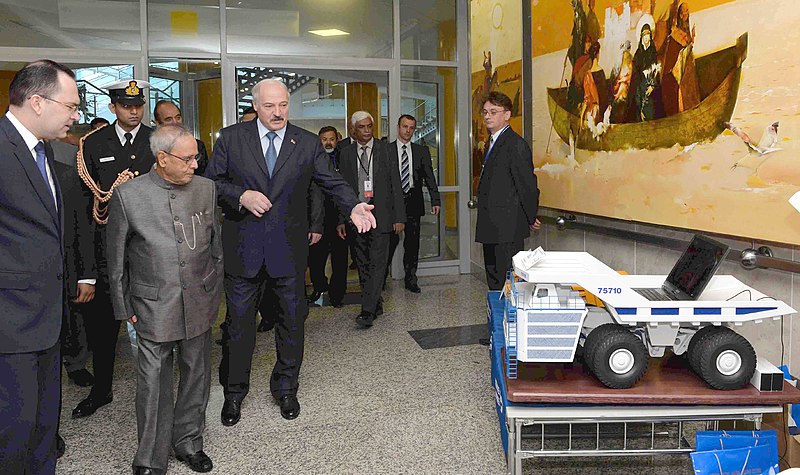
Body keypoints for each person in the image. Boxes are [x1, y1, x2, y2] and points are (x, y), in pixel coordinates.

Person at [205, 79, 375, 424]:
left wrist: (354, 205)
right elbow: (211, 183)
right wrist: (241, 196)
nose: (278, 112)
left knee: (292, 324)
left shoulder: (307, 143)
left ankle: (286, 388)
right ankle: (234, 393)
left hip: (288, 251)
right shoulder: (231, 139)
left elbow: (331, 181)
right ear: (255, 106)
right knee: (239, 327)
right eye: (269, 106)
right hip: (244, 251)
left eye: (283, 104)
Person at [106, 124, 222, 475]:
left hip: (199, 301)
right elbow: (116, 260)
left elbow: (215, 247)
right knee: (153, 384)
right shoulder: (129, 195)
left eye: (196, 157)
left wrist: (213, 292)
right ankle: (150, 459)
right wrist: (124, 308)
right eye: (186, 159)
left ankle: (189, 441)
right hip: (152, 306)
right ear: (162, 159)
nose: (194, 165)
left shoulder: (206, 189)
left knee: (197, 375)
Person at [0, 59, 80, 475]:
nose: (75, 115)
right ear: (36, 101)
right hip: (9, 321)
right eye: (69, 106)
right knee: (13, 431)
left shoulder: (45, 150)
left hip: (47, 319)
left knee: (43, 426)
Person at [73, 79, 156, 419]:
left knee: (154, 324)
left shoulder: (158, 140)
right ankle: (101, 389)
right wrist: (87, 270)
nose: (134, 111)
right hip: (108, 249)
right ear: (113, 108)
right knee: (103, 327)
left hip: (148, 248)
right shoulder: (94, 143)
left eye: (138, 105)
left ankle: (157, 391)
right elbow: (86, 205)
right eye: (126, 106)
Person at [337, 111, 405, 327]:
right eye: (362, 128)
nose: (366, 131)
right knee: (362, 263)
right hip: (357, 218)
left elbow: (397, 185)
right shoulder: (345, 153)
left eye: (369, 127)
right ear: (353, 130)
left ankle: (367, 311)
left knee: (377, 263)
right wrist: (341, 219)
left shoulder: (386, 150)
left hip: (382, 216)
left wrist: (399, 217)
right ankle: (374, 302)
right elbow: (341, 188)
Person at [475, 91, 540, 291]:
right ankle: (497, 319)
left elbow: (527, 184)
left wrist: (531, 215)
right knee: (493, 280)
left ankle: (507, 320)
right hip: (491, 225)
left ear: (507, 115)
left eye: (493, 112)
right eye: (485, 112)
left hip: (507, 227)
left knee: (507, 282)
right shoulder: (491, 143)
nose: (487, 116)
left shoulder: (515, 144)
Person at [53, 159, 96, 387]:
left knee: (73, 318)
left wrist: (87, 274)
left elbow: (82, 225)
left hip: (67, 264)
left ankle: (76, 365)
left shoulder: (66, 175)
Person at [387, 115, 440, 293]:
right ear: (398, 127)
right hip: (392, 206)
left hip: (413, 203)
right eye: (405, 127)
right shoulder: (386, 151)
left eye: (411, 127)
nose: (408, 131)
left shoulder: (421, 151)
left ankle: (411, 278)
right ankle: (381, 278)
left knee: (412, 244)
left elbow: (429, 177)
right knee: (389, 243)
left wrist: (435, 199)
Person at [306, 126, 349, 307]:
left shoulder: (344, 159)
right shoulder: (311, 161)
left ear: (337, 140)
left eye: (331, 139)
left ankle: (337, 294)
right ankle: (319, 286)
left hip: (339, 218)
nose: (328, 142)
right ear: (319, 141)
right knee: (315, 259)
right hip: (317, 220)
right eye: (324, 139)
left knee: (340, 261)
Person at [661, 2, 700, 116]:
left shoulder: (686, 29)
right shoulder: (675, 30)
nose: (685, 14)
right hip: (673, 69)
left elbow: (687, 46)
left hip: (684, 66)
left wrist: (692, 39)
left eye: (687, 11)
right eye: (683, 11)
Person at [153, 100, 209, 175]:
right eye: (169, 119)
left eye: (178, 117)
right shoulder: (151, 148)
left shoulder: (197, 146)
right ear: (157, 123)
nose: (175, 122)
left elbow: (203, 178)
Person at [629, 23, 664, 122]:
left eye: (648, 35)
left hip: (652, 87)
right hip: (640, 87)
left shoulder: (653, 51)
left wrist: (652, 86)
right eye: (644, 35)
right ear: (641, 37)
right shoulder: (638, 53)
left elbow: (656, 70)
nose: (646, 37)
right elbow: (636, 74)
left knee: (652, 113)